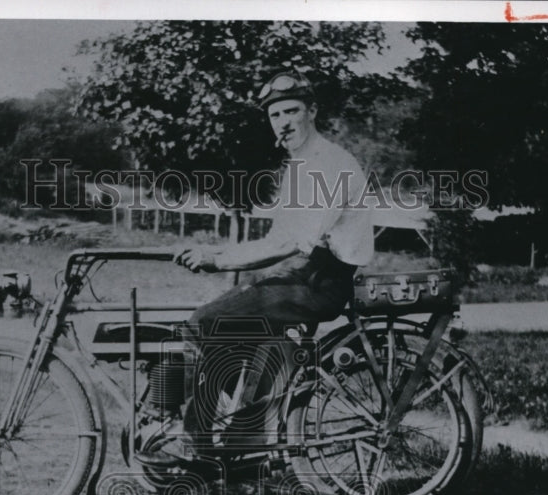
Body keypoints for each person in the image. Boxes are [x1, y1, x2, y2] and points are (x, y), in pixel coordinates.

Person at [137, 71, 374, 467]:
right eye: (275, 114)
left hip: (322, 282)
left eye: (292, 110)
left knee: (203, 322)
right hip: (305, 274)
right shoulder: (301, 165)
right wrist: (220, 251)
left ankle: (196, 442)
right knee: (228, 329)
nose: (283, 122)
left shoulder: (330, 165)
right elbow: (279, 237)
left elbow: (286, 244)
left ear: (312, 112)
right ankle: (243, 435)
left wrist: (218, 260)